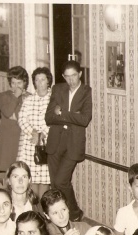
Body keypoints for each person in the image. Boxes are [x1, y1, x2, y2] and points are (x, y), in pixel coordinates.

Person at [45, 60, 92, 221]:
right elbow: (48, 117)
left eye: (74, 75)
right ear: (63, 76)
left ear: (80, 74)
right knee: (55, 183)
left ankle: (74, 212)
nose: (71, 80)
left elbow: (84, 119)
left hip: (74, 143)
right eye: (67, 76)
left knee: (61, 181)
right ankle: (59, 217)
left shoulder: (86, 91)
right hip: (55, 142)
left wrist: (62, 113)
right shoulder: (58, 89)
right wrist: (73, 116)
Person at [18, 67, 53, 198]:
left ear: (48, 81)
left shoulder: (53, 100)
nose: (40, 83)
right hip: (30, 144)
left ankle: (43, 209)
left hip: (46, 145)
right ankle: (33, 208)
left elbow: (55, 121)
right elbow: (22, 119)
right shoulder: (29, 100)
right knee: (31, 181)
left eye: (43, 79)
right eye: (37, 80)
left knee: (44, 182)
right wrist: (32, 132)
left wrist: (43, 133)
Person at [0, 66, 31, 177]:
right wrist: (16, 96)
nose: (16, 86)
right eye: (13, 83)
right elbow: (8, 112)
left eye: (19, 83)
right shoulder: (4, 96)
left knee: (24, 171)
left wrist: (16, 117)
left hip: (24, 139)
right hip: (9, 140)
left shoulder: (30, 97)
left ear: (25, 83)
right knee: (9, 173)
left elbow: (27, 118)